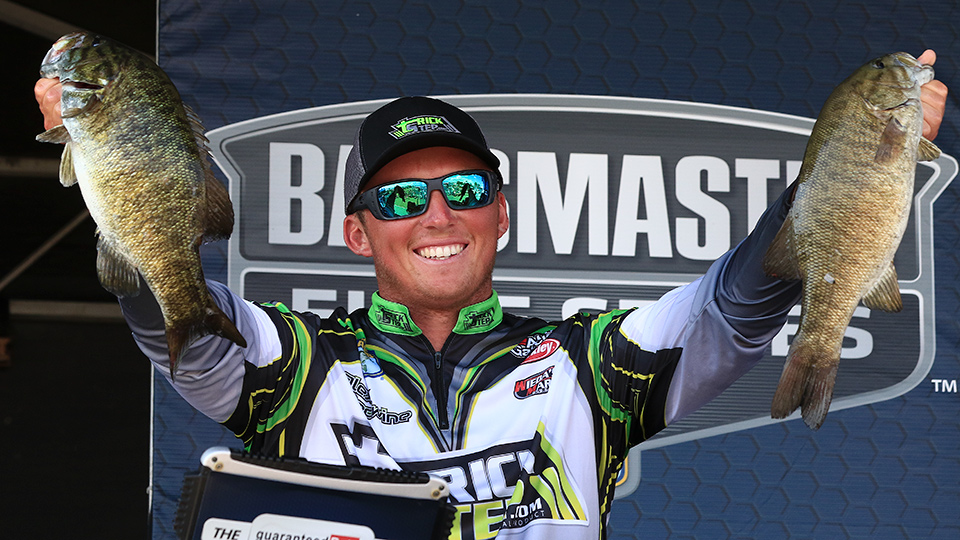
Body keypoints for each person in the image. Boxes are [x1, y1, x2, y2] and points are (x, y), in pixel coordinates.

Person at [34, 52, 948, 539]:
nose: (437, 214)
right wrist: (110, 149)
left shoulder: (592, 365)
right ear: (358, 232)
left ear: (500, 214)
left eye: (465, 190)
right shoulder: (299, 366)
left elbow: (734, 304)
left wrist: (853, 168)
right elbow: (180, 325)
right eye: (401, 198)